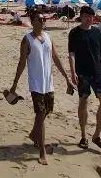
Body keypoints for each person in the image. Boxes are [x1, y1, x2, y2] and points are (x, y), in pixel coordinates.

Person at [7, 10, 74, 164]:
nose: (43, 21)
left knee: (47, 111)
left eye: (44, 19)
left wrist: (67, 79)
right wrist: (14, 84)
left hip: (48, 83)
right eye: (40, 19)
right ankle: (42, 151)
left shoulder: (48, 38)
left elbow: (55, 58)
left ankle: (33, 134)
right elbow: (22, 62)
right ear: (32, 21)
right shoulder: (27, 40)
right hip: (36, 85)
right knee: (41, 114)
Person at [67, 5, 101, 151]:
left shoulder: (97, 33)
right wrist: (72, 72)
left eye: (91, 17)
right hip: (82, 74)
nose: (89, 19)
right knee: (83, 102)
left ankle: (96, 135)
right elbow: (72, 54)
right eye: (86, 16)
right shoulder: (74, 33)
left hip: (98, 73)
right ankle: (83, 136)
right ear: (81, 16)